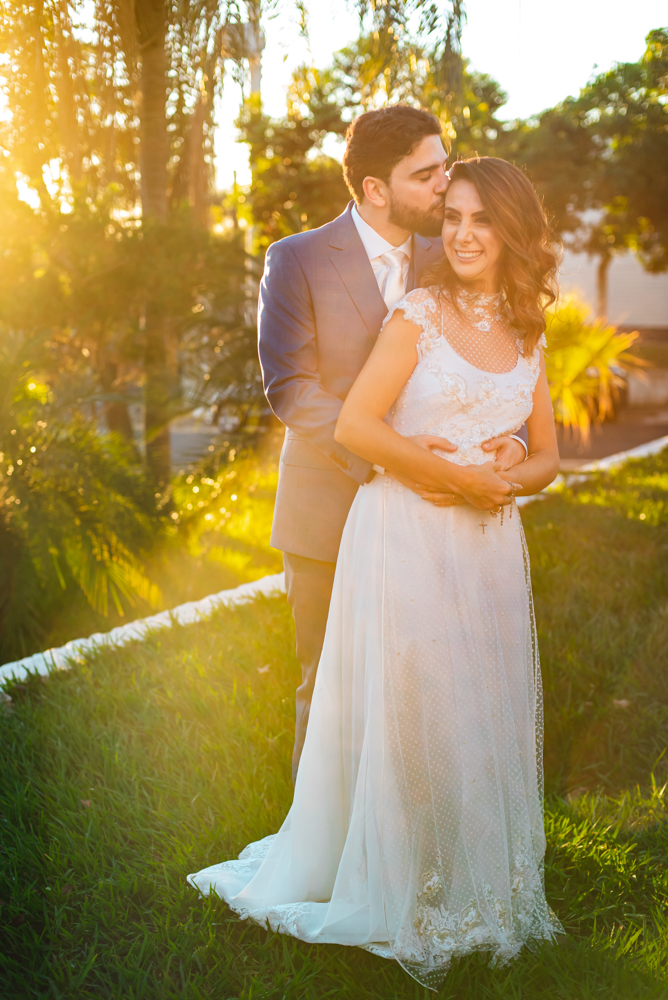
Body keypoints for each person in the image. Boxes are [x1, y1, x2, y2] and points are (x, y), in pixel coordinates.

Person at [188, 155, 564, 988]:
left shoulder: (531, 330)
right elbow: (356, 424)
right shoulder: (417, 315)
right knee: (409, 700)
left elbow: (549, 458)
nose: (463, 234)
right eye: (453, 216)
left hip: (486, 546)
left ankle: (466, 876)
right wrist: (450, 475)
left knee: (474, 703)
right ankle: (391, 879)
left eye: (481, 220)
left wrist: (506, 462)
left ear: (512, 233)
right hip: (405, 531)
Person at [255, 104, 527, 780]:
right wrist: (391, 457)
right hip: (328, 509)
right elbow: (291, 388)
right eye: (427, 174)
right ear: (376, 189)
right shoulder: (297, 259)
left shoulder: (454, 252)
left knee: (427, 688)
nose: (447, 184)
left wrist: (511, 436)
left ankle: (411, 845)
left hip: (436, 521)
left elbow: (491, 352)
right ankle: (321, 856)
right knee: (330, 686)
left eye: (445, 166)